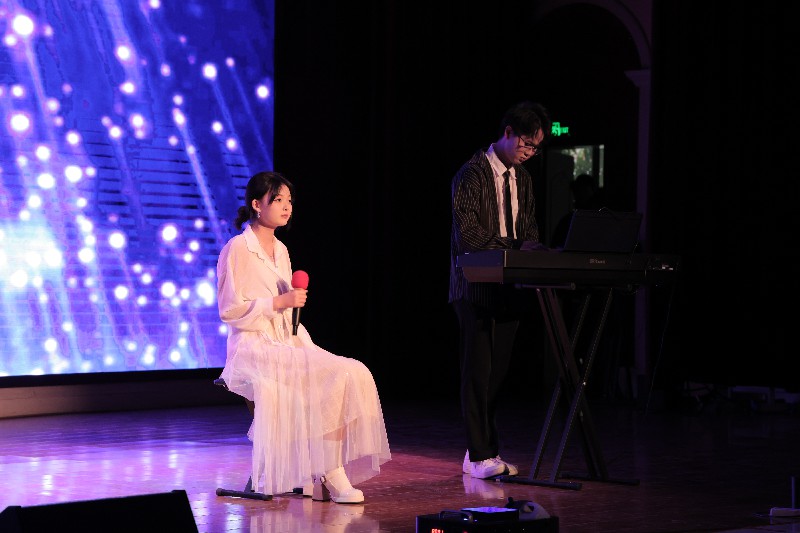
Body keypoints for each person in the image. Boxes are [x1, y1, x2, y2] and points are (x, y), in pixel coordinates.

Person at [217, 171, 391, 503]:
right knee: (331, 375)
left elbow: (286, 306)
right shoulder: (237, 248)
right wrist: (278, 302)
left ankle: (327, 468)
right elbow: (229, 310)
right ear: (256, 205)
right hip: (253, 345)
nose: (286, 206)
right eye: (277, 200)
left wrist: (291, 303)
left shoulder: (281, 249)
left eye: (289, 200)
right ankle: (330, 473)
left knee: (350, 372)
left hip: (288, 339)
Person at [449, 101, 551, 479]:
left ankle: (484, 451)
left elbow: (530, 229)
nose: (529, 153)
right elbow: (469, 235)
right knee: (478, 371)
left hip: (509, 285)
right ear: (508, 133)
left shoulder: (522, 178)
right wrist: (516, 246)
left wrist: (531, 250)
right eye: (527, 143)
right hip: (475, 285)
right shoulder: (472, 173)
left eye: (536, 148)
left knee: (498, 374)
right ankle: (479, 455)